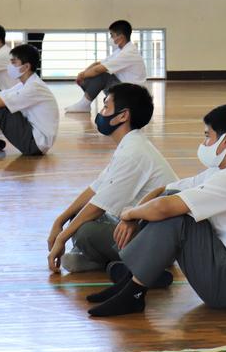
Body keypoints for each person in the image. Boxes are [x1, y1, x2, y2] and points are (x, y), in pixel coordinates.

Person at [84, 104, 226, 318]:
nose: (203, 144)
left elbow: (165, 208)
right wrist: (134, 216)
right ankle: (130, 282)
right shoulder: (221, 172)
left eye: (207, 136)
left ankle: (133, 294)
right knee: (169, 199)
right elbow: (163, 190)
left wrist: (129, 214)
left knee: (176, 217)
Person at [47, 83, 178, 273]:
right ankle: (103, 261)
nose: (101, 113)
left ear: (123, 116)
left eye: (106, 106)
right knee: (78, 214)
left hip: (159, 243)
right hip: (141, 229)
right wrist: (59, 221)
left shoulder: (133, 153)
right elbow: (95, 190)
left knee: (85, 231)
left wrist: (62, 238)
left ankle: (134, 261)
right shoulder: (130, 144)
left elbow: (98, 207)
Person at [65, 20, 148, 113]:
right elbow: (98, 64)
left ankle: (84, 105)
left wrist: (83, 75)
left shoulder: (128, 52)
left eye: (112, 35)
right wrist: (83, 73)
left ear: (121, 37)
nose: (110, 38)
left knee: (102, 75)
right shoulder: (120, 51)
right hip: (125, 88)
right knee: (93, 74)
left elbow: (98, 70)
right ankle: (104, 101)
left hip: (133, 95)